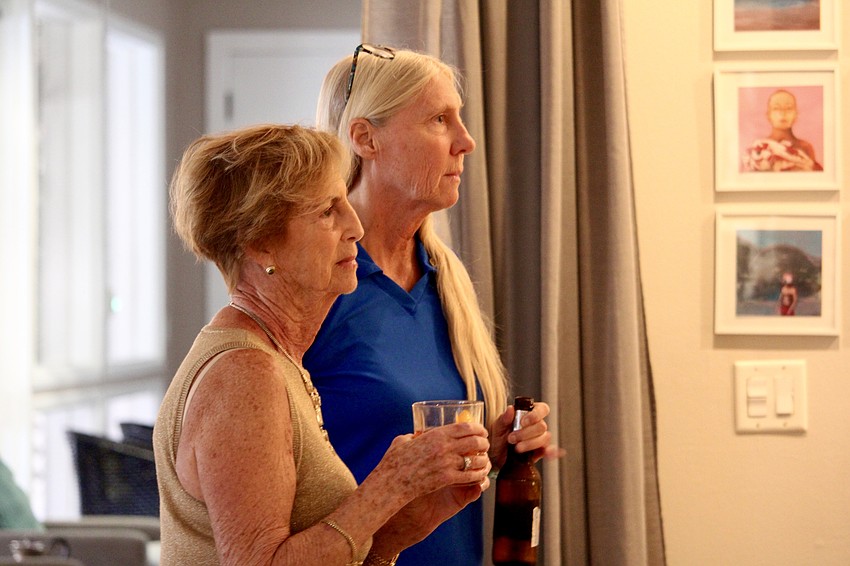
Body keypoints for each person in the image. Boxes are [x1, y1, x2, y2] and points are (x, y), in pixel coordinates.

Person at [153, 124, 493, 566]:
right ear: (261, 245)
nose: (355, 228)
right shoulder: (245, 373)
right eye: (328, 212)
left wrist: (399, 527)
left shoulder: (274, 357)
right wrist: (388, 487)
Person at [305, 45, 559, 565]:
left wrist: (494, 447)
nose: (466, 142)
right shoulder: (319, 286)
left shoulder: (446, 279)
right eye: (439, 120)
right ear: (365, 138)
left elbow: (429, 468)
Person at [742, 89, 823, 172]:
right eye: (776, 108)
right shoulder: (759, 147)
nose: (783, 113)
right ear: (768, 115)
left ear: (796, 114)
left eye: (789, 108)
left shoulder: (805, 148)